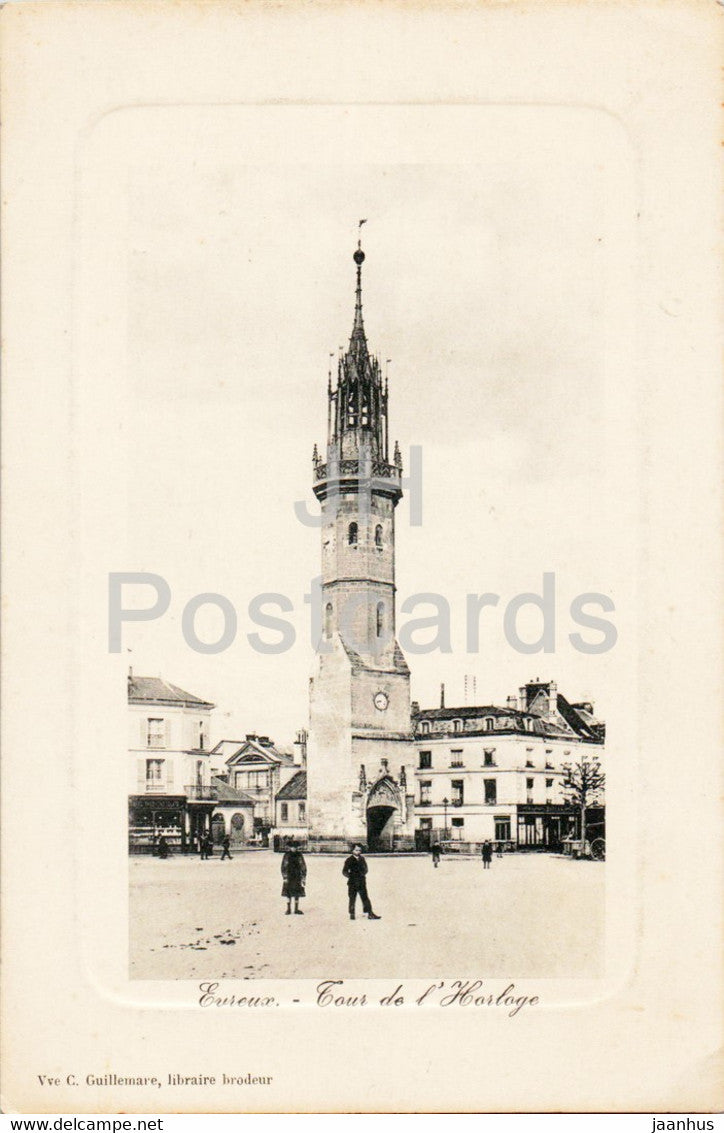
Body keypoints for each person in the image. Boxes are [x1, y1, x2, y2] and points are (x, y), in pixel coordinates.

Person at [342, 844, 381, 920]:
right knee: (352, 898)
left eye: (359, 850)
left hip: (361, 882)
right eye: (356, 850)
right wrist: (350, 876)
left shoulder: (362, 859)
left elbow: (366, 869)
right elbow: (344, 871)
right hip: (352, 883)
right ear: (352, 851)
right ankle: (352, 914)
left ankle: (370, 913)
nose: (358, 852)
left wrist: (362, 874)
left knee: (365, 898)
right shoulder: (349, 860)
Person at [281, 840, 307, 915]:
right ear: (289, 847)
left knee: (297, 893)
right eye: (292, 847)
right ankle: (288, 909)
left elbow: (303, 866)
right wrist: (285, 877)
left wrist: (303, 877)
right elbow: (284, 866)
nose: (294, 849)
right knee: (288, 893)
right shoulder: (287, 855)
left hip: (297, 876)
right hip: (289, 876)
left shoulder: (299, 855)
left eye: (295, 847)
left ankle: (296, 909)